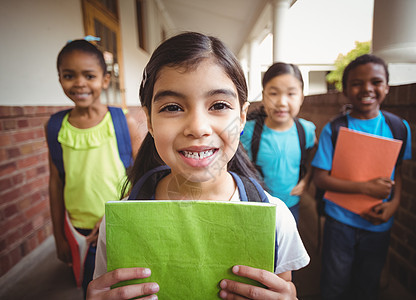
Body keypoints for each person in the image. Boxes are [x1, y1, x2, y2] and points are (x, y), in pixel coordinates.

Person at [87, 32, 310, 300]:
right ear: (149, 120)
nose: (197, 127)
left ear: (241, 118)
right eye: (172, 107)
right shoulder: (119, 223)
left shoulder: (276, 218)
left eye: (218, 105)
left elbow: (284, 287)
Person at [45, 39, 143, 297]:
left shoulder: (122, 121)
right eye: (69, 76)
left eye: (89, 75)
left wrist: (118, 211)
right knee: (93, 288)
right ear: (60, 79)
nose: (79, 83)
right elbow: (56, 182)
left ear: (105, 79)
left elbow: (142, 173)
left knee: (129, 286)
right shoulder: (56, 126)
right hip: (80, 232)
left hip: (121, 226)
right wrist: (59, 235)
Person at [311, 54, 412, 300]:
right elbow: (321, 179)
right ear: (345, 90)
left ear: (386, 87)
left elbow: (397, 173)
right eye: (357, 83)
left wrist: (394, 205)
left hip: (378, 223)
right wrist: (365, 188)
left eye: (376, 81)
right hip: (339, 223)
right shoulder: (334, 129)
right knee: (334, 284)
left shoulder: (399, 127)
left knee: (367, 285)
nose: (367, 88)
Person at [240, 62, 316, 223]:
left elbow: (314, 153)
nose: (282, 102)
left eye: (291, 94)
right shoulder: (248, 130)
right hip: (259, 204)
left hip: (292, 206)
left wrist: (306, 180)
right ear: (264, 96)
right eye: (274, 93)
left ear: (301, 97)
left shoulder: (306, 130)